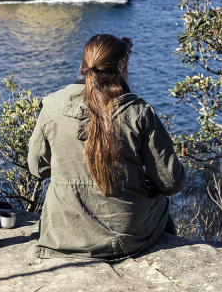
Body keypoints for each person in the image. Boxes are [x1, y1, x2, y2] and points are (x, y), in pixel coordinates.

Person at [27, 34, 186, 259]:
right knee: (161, 205)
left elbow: (37, 169)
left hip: (63, 234)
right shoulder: (138, 112)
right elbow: (171, 182)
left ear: (84, 65)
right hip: (126, 236)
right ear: (121, 65)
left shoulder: (51, 106)